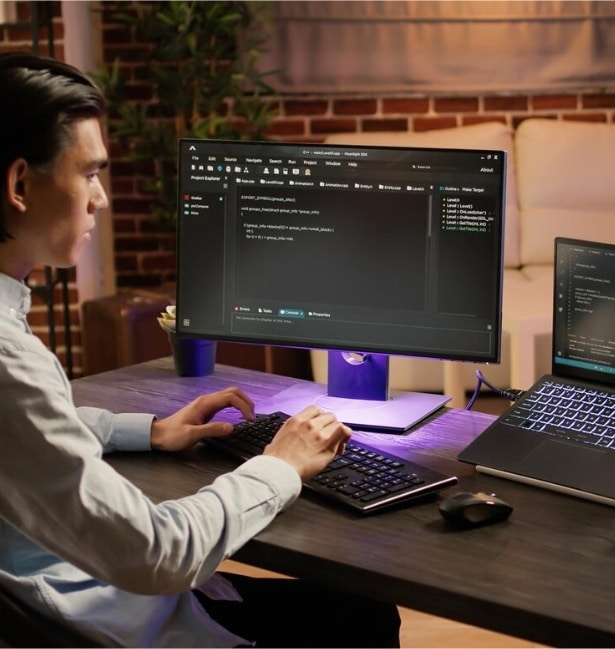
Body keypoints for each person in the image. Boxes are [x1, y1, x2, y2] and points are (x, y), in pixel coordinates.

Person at [0, 51, 400, 648]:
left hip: (92, 594)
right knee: (366, 614)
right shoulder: (11, 361)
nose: (100, 198)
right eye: (88, 173)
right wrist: (280, 464)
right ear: (20, 185)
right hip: (117, 618)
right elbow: (158, 555)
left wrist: (148, 430)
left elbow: (25, 433)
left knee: (354, 607)